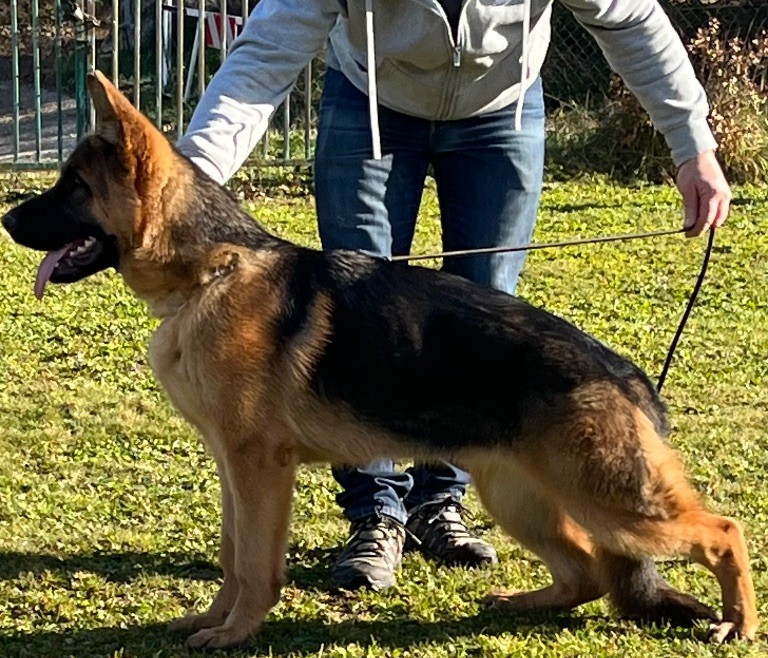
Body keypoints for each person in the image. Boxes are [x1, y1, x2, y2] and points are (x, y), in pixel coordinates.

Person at [178, 0, 731, 592]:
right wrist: (191, 175)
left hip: (501, 112)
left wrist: (692, 145)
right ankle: (375, 515)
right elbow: (266, 51)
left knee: (485, 324)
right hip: (370, 103)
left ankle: (442, 502)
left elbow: (631, 20)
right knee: (360, 327)